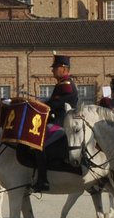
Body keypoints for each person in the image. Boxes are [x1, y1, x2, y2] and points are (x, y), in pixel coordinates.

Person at [31, 54, 79, 193]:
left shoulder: (67, 85)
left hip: (60, 122)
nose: (52, 70)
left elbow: (55, 103)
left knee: (38, 144)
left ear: (64, 69)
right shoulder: (61, 84)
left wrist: (40, 104)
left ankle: (43, 180)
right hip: (58, 120)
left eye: (55, 68)